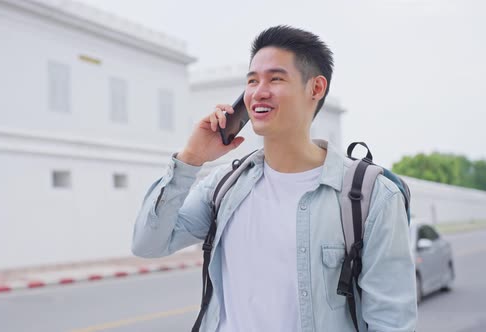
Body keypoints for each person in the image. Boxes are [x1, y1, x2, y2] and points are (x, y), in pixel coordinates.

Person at [132, 25, 417, 332]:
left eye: (275, 78)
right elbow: (148, 243)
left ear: (316, 88)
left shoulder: (372, 197)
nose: (258, 91)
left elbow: (392, 322)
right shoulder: (224, 186)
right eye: (252, 81)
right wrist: (190, 158)